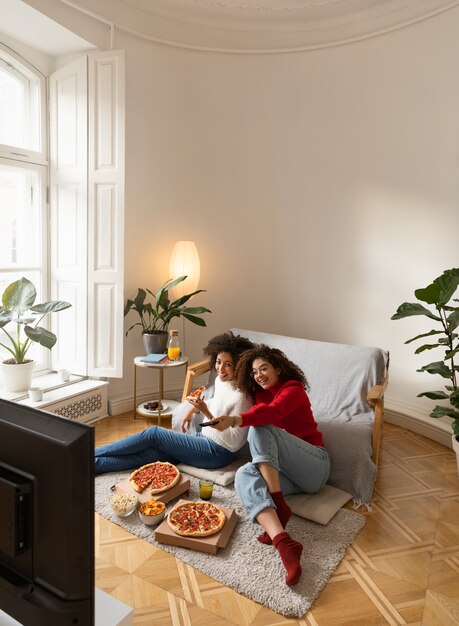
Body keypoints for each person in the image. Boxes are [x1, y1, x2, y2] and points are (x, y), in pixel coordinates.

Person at [211, 345, 330, 587]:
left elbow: (273, 413)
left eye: (264, 368)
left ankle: (278, 502)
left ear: (278, 367)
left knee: (261, 424)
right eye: (254, 372)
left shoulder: (293, 389)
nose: (259, 375)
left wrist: (235, 420)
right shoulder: (261, 396)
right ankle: (284, 543)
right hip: (286, 474)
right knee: (243, 473)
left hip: (314, 466)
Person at [94, 331, 255, 475]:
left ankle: (90, 453)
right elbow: (218, 402)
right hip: (204, 439)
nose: (221, 368)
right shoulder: (223, 382)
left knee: (154, 434)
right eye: (219, 361)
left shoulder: (242, 397)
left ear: (239, 366)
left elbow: (234, 443)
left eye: (228, 364)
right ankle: (94, 464)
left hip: (218, 452)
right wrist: (192, 410)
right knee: (154, 453)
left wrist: (206, 413)